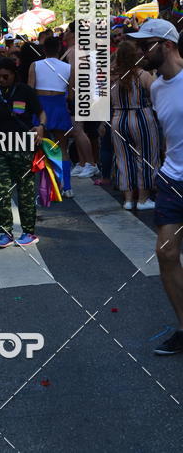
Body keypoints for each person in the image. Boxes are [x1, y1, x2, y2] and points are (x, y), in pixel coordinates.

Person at [125, 20, 183, 355]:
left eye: (147, 44)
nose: (140, 50)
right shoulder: (156, 87)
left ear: (168, 44)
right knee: (166, 252)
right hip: (173, 180)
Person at [0, 57, 45, 247]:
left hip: (23, 147)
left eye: (5, 76)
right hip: (1, 147)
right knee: (1, 191)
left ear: (13, 74)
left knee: (25, 191)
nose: (1, 80)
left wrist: (41, 126)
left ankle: (28, 232)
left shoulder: (25, 91)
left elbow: (41, 112)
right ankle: (5, 233)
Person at [110, 41, 160, 210]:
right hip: (141, 117)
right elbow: (157, 97)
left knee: (123, 159)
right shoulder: (144, 75)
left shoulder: (112, 77)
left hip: (118, 118)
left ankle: (128, 200)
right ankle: (143, 199)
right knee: (146, 157)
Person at [28, 36, 74, 198]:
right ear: (60, 49)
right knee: (62, 148)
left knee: (42, 148)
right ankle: (67, 186)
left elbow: (30, 90)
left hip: (41, 107)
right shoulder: (68, 67)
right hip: (59, 106)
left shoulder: (35, 65)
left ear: (44, 49)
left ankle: (46, 188)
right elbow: (72, 94)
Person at [61, 22, 99, 178]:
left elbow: (76, 73)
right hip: (79, 94)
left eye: (67, 30)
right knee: (77, 131)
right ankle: (82, 162)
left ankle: (91, 163)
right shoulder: (73, 50)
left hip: (78, 94)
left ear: (73, 33)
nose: (64, 33)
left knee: (78, 130)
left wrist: (71, 93)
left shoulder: (75, 50)